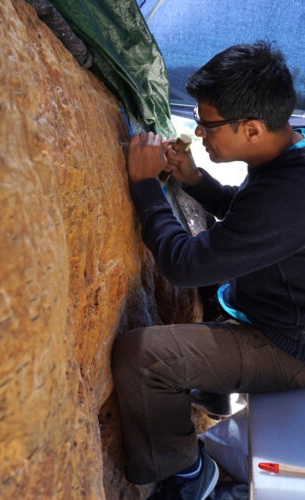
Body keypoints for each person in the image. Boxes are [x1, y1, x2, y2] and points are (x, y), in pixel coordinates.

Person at [112, 41, 305, 500]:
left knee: (144, 356)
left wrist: (146, 189)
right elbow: (248, 220)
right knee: (220, 281)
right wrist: (195, 181)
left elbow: (185, 267)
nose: (198, 132)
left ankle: (187, 474)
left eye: (208, 123)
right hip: (275, 308)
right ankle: (214, 395)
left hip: (291, 346)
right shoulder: (284, 162)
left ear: (253, 128)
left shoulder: (291, 192)